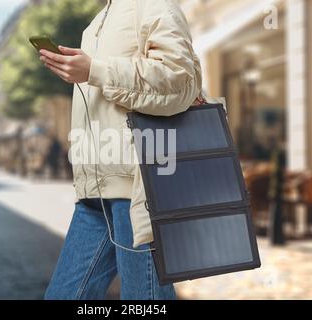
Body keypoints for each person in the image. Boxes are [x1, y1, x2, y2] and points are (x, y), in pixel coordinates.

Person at [40, 0, 202, 300]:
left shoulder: (154, 5)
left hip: (139, 190)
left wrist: (96, 70)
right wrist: (84, 71)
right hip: (93, 192)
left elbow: (179, 81)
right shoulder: (96, 24)